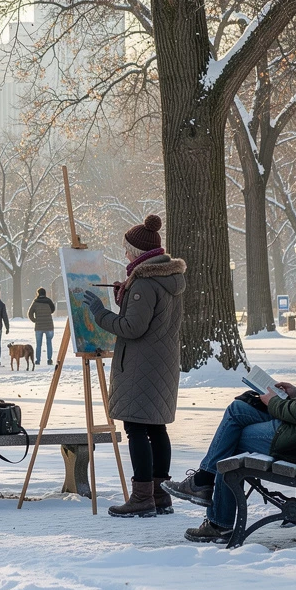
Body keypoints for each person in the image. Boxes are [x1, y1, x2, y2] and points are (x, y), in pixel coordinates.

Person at [164, 289, 296, 542]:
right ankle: (203, 481)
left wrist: (273, 401)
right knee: (239, 410)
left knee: (233, 440)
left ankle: (216, 517)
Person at [82, 214, 186, 518]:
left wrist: (100, 312)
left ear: (138, 254)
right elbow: (149, 318)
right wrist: (125, 296)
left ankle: (142, 498)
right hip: (162, 362)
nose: (125, 255)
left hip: (142, 365)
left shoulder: (144, 282)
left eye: (128, 250)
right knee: (156, 428)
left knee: (137, 428)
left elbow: (132, 327)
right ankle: (160, 495)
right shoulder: (167, 278)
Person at [28, 287, 56, 365]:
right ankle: (49, 359)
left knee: (38, 344)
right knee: (49, 343)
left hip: (39, 326)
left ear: (38, 294)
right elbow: (53, 309)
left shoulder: (35, 302)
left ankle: (38, 360)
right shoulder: (49, 301)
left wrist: (35, 320)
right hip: (49, 325)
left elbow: (30, 313)